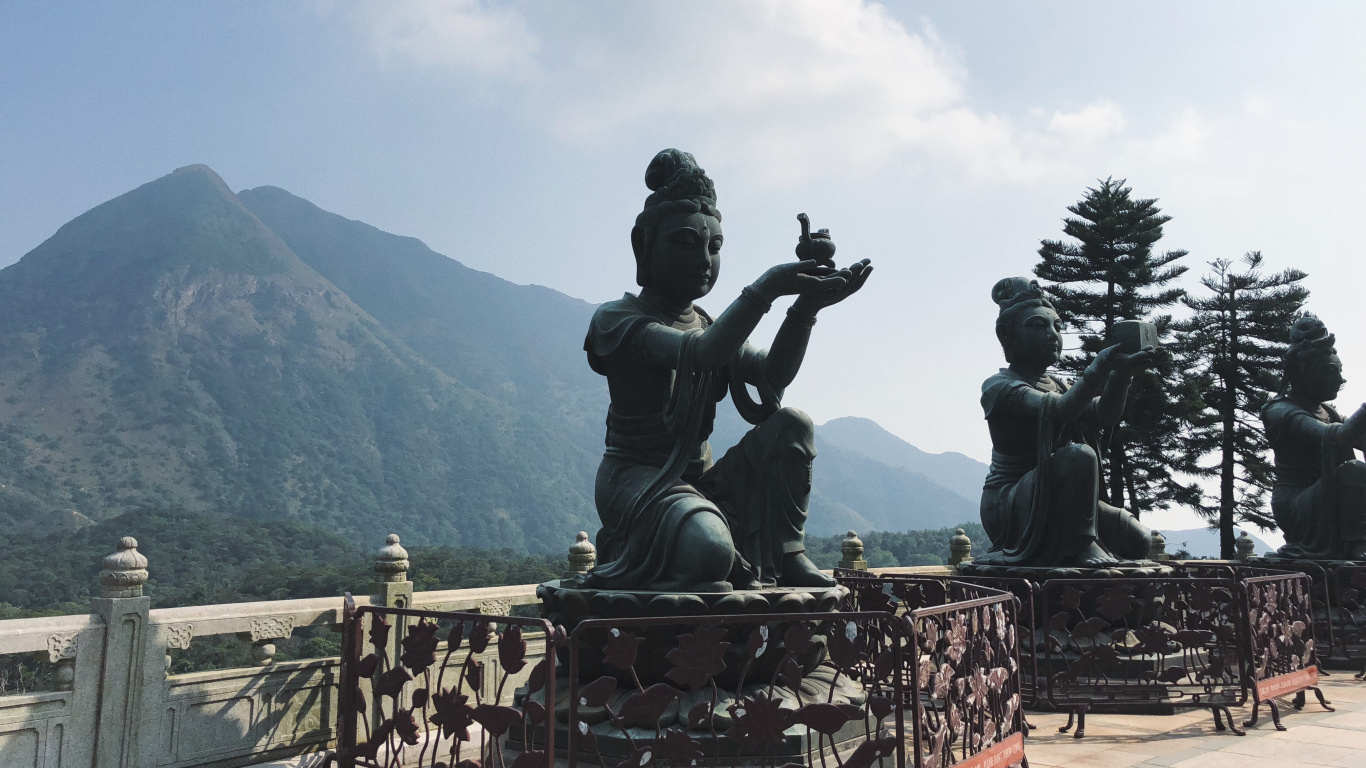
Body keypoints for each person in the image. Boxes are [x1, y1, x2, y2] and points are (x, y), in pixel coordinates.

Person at [580, 149, 872, 592]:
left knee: (793, 424)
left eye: (714, 246)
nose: (703, 259)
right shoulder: (618, 320)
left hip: (703, 482)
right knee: (710, 551)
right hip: (639, 481)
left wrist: (805, 307)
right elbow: (700, 354)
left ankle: (788, 552)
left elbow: (772, 375)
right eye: (684, 242)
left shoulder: (710, 324)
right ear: (644, 246)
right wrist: (767, 287)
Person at [977, 277, 1155, 567]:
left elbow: (1102, 415)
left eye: (1058, 327)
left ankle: (1085, 542)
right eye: (1038, 326)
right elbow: (1062, 411)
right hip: (1013, 502)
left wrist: (1121, 375)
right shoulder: (999, 386)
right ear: (1007, 335)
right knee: (1078, 455)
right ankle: (1084, 545)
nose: (1052, 335)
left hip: (1063, 497)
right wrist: (1098, 368)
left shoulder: (1059, 385)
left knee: (1138, 540)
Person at [1261, 315, 1366, 560]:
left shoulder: (1328, 412)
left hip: (1329, 496)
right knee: (1353, 470)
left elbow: (1358, 438)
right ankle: (1357, 544)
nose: (1340, 380)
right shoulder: (1280, 411)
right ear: (1302, 373)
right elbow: (1339, 438)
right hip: (1298, 503)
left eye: (1339, 372)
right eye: (1331, 372)